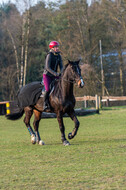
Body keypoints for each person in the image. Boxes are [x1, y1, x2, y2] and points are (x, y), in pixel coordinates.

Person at [43, 41, 63, 111]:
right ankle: (45, 104)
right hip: (47, 75)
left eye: (57, 47)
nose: (57, 48)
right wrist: (56, 74)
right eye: (56, 47)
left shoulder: (59, 55)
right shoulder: (49, 55)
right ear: (52, 48)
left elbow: (61, 66)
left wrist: (62, 73)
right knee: (48, 89)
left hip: (55, 75)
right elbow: (47, 68)